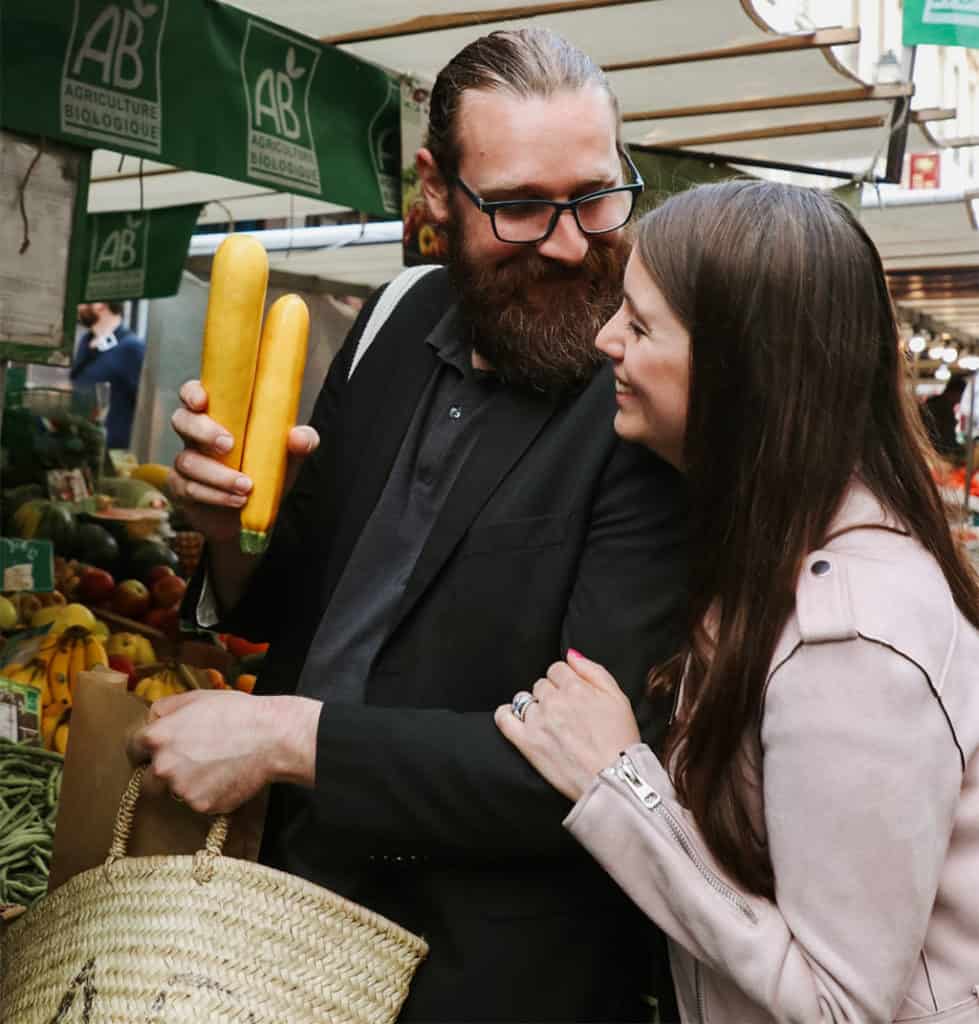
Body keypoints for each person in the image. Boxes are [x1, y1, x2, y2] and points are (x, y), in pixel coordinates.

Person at [132, 28, 687, 1023]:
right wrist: (224, 528)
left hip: (483, 977)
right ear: (435, 190)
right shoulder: (393, 319)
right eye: (519, 206)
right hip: (282, 911)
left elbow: (597, 775)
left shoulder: (644, 400)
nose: (569, 242)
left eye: (597, 196)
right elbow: (299, 598)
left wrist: (279, 736)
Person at [496, 180, 979, 1022]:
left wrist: (621, 786)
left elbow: (837, 1006)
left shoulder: (853, 639)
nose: (607, 339)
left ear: (739, 372)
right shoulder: (785, 559)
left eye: (641, 325)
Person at [70, 300, 145, 448]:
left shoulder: (131, 348)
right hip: (83, 446)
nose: (78, 307)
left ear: (100, 303)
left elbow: (146, 408)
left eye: (82, 301)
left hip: (112, 452)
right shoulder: (87, 341)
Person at [921, 373, 967, 457]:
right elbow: (946, 435)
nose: (961, 399)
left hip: (933, 453)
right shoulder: (939, 407)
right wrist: (959, 451)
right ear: (955, 392)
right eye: (962, 395)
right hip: (935, 454)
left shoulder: (936, 404)